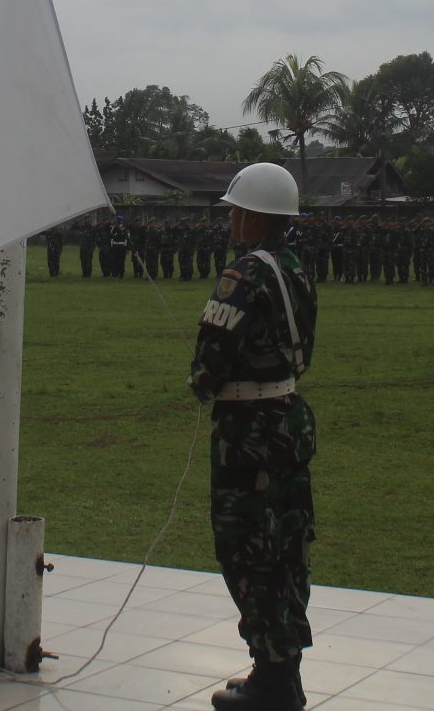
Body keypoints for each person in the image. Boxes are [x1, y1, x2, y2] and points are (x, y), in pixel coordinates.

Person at [190, 163, 316, 711]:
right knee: (287, 547)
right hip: (288, 421)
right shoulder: (296, 270)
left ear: (253, 217)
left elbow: (207, 369)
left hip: (248, 435)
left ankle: (273, 679)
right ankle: (281, 670)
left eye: (236, 211)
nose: (231, 220)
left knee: (248, 550)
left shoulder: (243, 275)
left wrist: (202, 381)